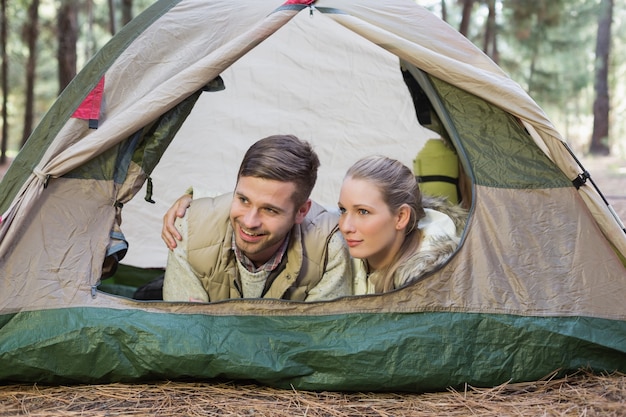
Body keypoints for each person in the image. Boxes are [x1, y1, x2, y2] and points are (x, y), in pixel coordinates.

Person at [161, 134, 352, 302]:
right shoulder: (188, 228)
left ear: (301, 211)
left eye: (269, 210)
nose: (249, 222)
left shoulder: (330, 248)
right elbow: (186, 336)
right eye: (243, 199)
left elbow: (319, 340)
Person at [337, 155, 467, 295]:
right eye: (343, 210)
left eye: (363, 211)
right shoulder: (334, 259)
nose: (345, 227)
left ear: (401, 217)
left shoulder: (433, 287)